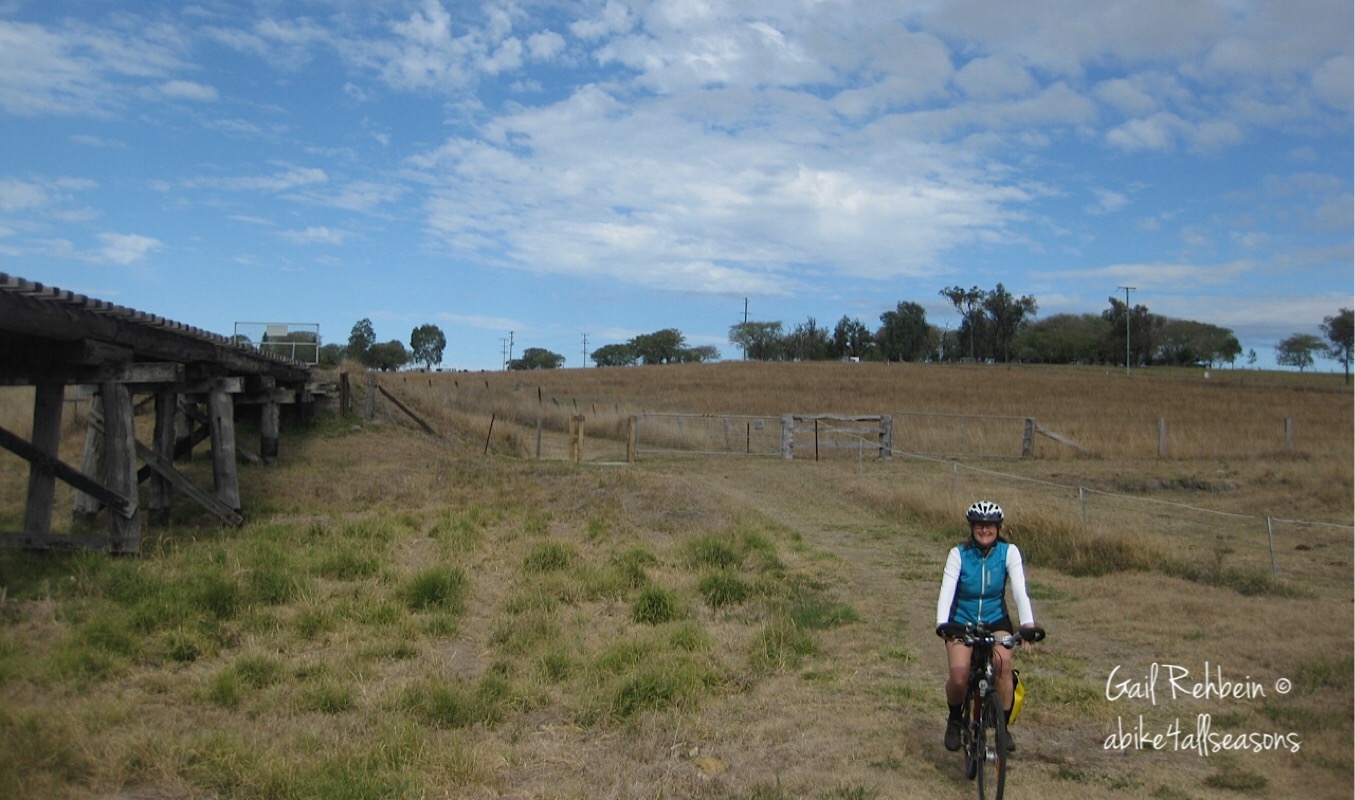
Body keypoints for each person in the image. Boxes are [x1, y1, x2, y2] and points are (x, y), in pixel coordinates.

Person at [935, 500, 1037, 752]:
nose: (984, 529)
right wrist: (943, 624)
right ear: (972, 528)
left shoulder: (1008, 552)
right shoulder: (958, 554)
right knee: (959, 677)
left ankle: (1003, 727)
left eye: (990, 525)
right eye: (979, 525)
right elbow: (947, 590)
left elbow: (1020, 591)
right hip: (962, 620)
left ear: (998, 528)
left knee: (1003, 666)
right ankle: (955, 719)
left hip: (995, 619)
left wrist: (1028, 624)